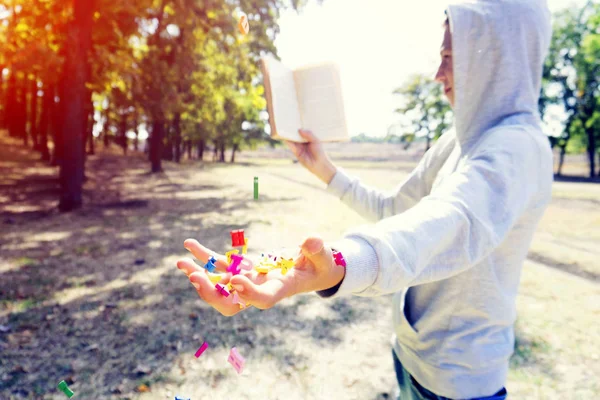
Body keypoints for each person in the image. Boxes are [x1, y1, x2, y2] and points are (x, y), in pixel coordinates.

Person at [176, 0, 553, 398]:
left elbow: (447, 223)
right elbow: (396, 211)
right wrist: (323, 168)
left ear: (495, 58)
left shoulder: (518, 148)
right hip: (411, 359)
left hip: (459, 385)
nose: (438, 73)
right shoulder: (457, 141)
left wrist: (337, 263)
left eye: (449, 57)